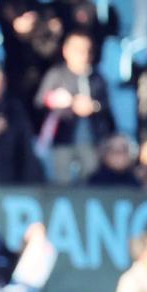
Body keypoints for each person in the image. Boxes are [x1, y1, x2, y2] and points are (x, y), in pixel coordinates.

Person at [36, 32, 114, 183]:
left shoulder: (96, 77)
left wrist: (92, 106)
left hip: (91, 142)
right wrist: (67, 103)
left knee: (91, 181)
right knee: (61, 183)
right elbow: (40, 102)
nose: (83, 55)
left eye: (87, 50)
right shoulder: (56, 74)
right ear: (66, 51)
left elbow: (106, 107)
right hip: (62, 141)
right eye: (78, 50)